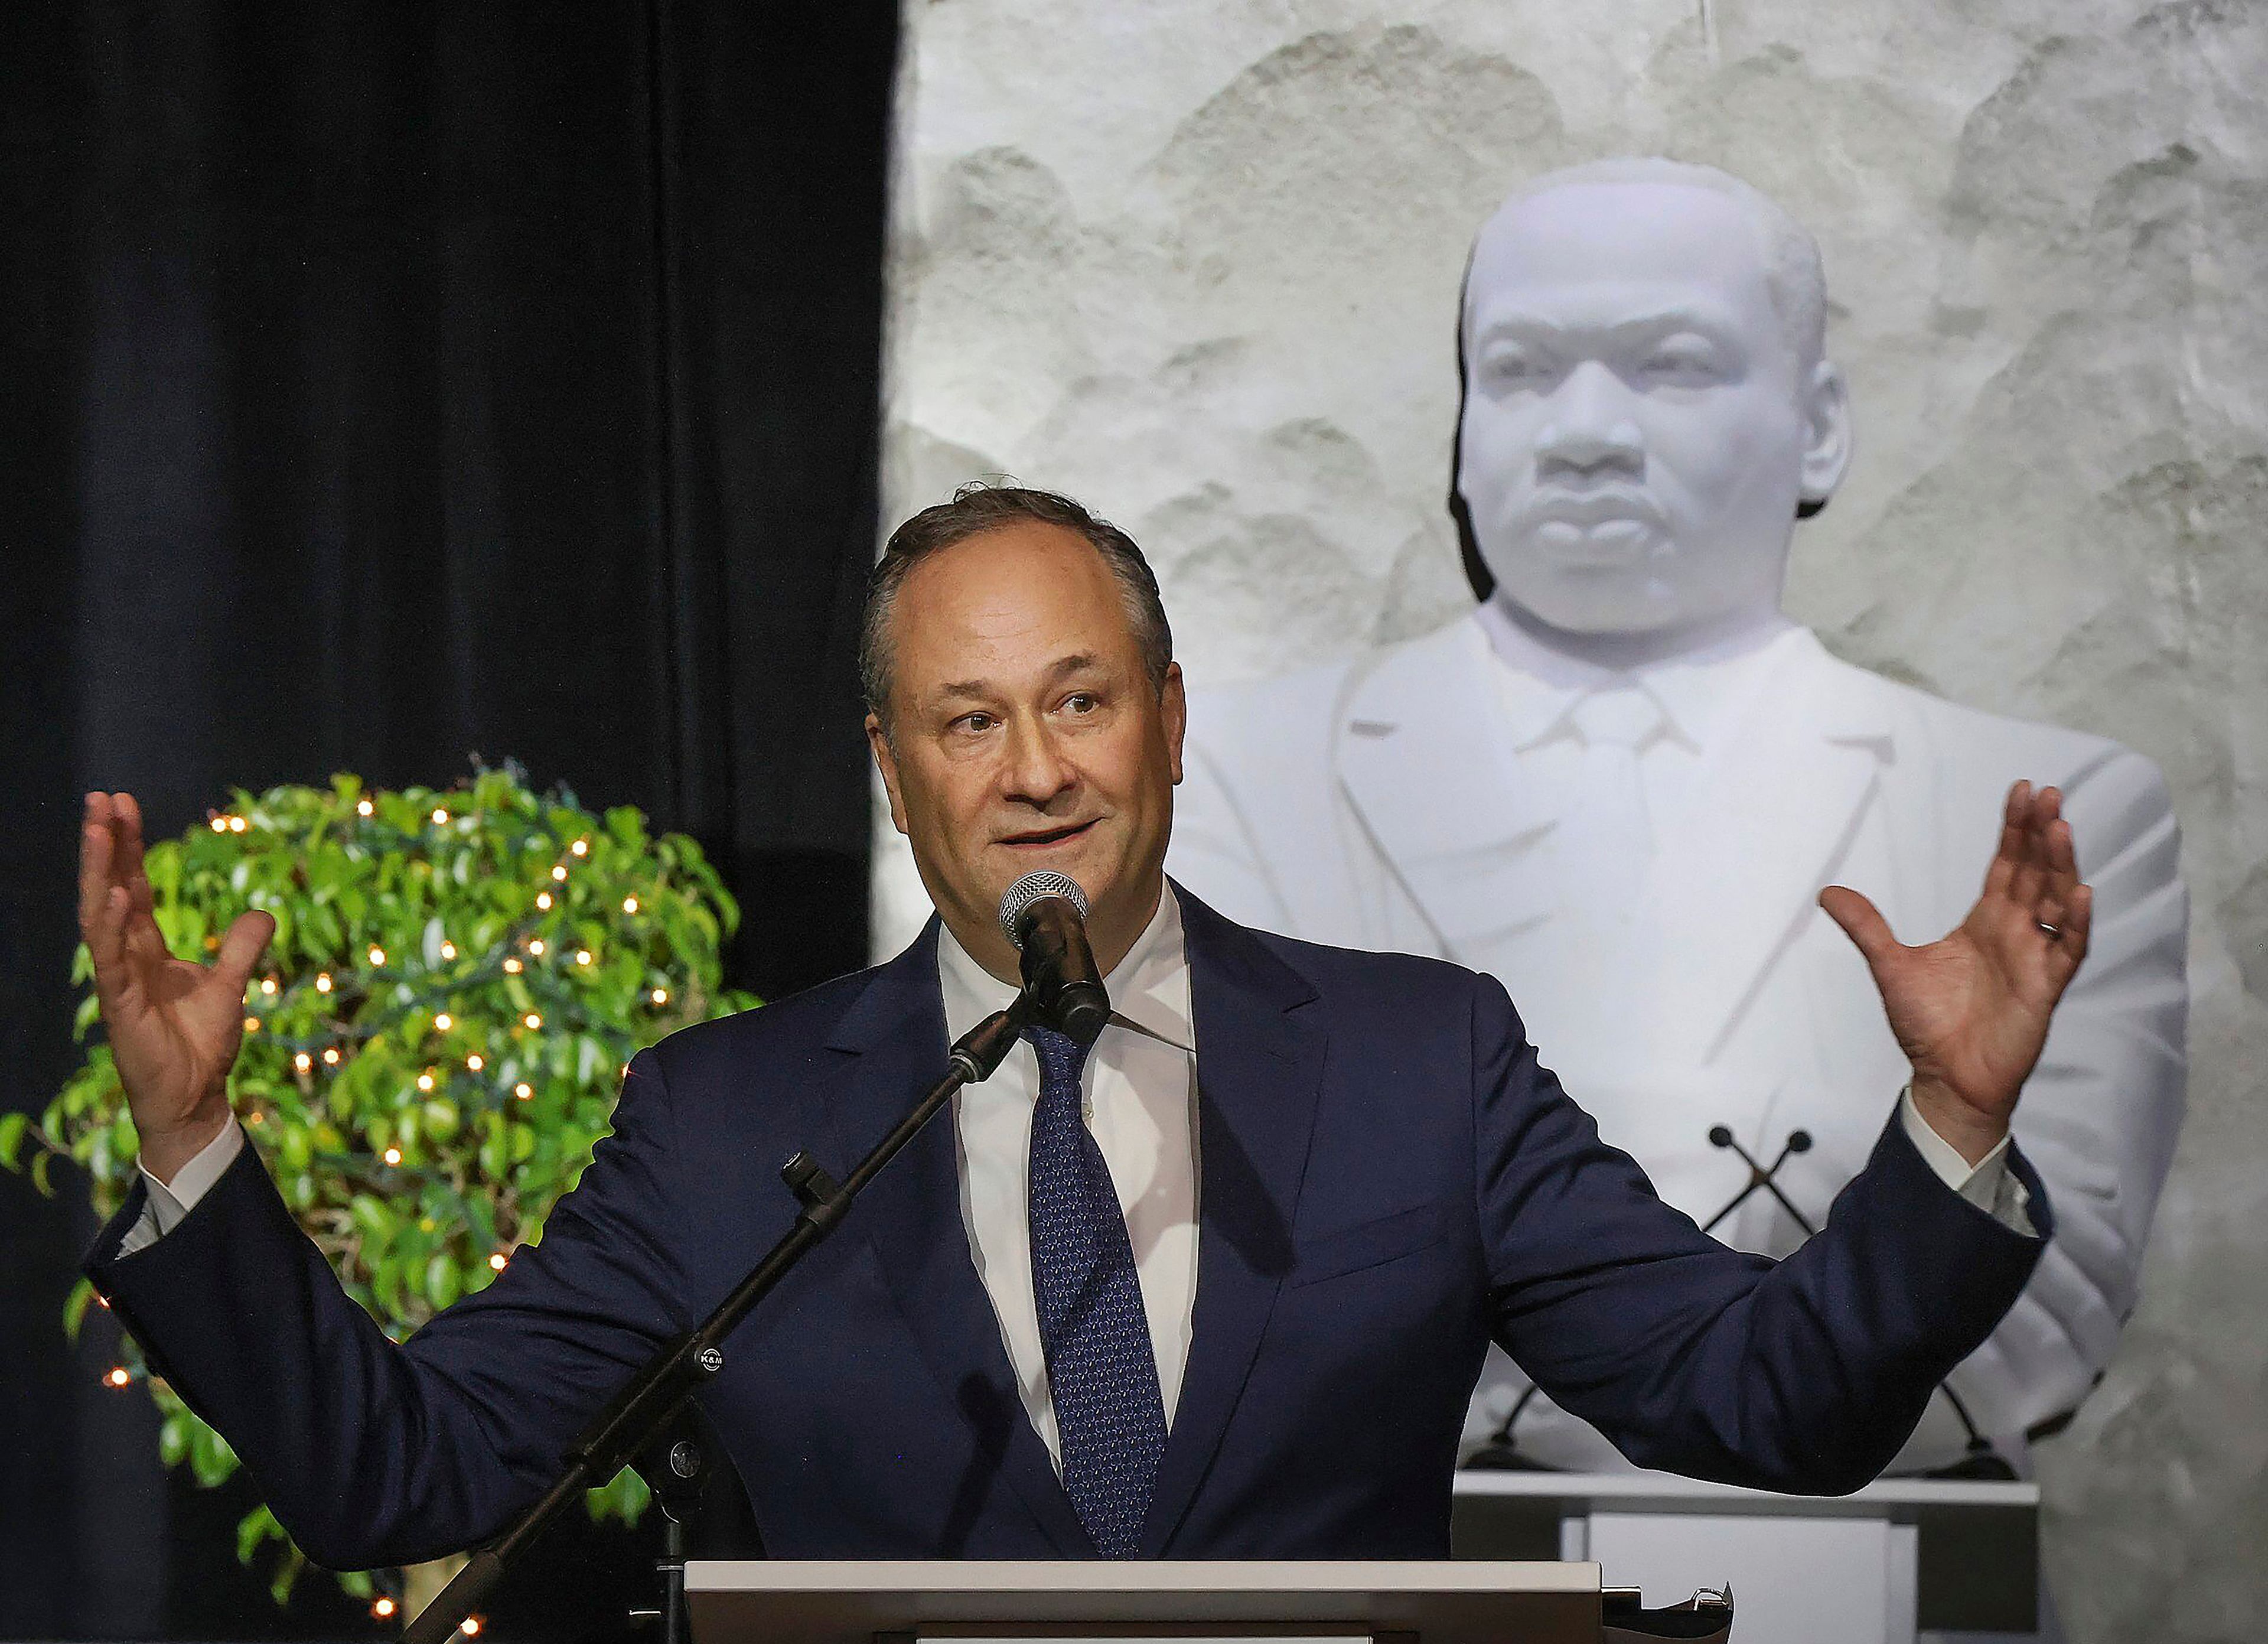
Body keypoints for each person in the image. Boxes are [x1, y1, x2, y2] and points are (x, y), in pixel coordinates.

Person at [80, 484, 2077, 1571]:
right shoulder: (726, 1118)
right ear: (893, 767)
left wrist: (1952, 1124)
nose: (1035, 768)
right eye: (970, 718)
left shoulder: (1422, 1063)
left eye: (1082, 698)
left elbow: (1771, 1394)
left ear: (1174, 719)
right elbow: (404, 1470)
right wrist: (194, 1154)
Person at [1168, 159, 2186, 1477]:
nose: (1585, 430)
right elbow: (1193, 1268)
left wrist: (1455, 1245)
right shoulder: (1242, 777)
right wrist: (1764, 1246)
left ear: (1820, 424)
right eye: (1525, 368)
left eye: (1674, 366)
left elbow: (2042, 1315)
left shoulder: (2049, 810)